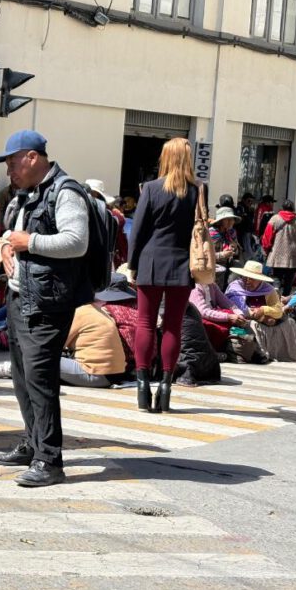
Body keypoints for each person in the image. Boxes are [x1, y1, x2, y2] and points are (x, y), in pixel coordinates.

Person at [0, 130, 90, 487]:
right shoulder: (28, 192)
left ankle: (50, 459)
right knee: (22, 376)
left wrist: (27, 241)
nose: (9, 171)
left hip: (47, 302)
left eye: (12, 163)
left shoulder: (65, 192)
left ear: (32, 158)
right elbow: (9, 235)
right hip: (22, 296)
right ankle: (33, 443)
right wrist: (6, 247)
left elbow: (76, 242)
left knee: (41, 379)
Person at [126, 137, 199, 414]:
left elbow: (139, 230)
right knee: (173, 326)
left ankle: (142, 386)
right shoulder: (197, 191)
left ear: (165, 158)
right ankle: (166, 387)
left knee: (145, 323)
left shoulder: (152, 189)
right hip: (182, 263)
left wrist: (132, 264)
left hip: (151, 261)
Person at [0, 303, 126, 388]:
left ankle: (11, 369)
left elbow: (53, 344)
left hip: (96, 374)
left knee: (40, 358)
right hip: (114, 374)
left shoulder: (78, 312)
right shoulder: (94, 310)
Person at [226, 260, 296, 362]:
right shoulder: (235, 287)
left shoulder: (269, 290)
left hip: (264, 315)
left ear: (260, 280)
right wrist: (252, 313)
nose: (248, 281)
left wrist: (263, 309)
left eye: (252, 279)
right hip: (243, 317)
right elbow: (231, 305)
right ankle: (256, 354)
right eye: (245, 277)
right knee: (252, 323)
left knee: (289, 322)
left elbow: (278, 310)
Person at [190, 280, 248, 357]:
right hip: (199, 318)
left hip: (212, 314)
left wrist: (239, 313)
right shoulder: (195, 288)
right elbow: (203, 312)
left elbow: (227, 303)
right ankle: (212, 352)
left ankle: (240, 346)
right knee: (212, 326)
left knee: (234, 318)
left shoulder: (212, 285)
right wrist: (228, 317)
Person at [262, 200, 296, 296]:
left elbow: (266, 237)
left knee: (276, 277)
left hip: (277, 254)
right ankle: (285, 300)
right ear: (293, 209)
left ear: (282, 208)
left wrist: (266, 249)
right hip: (294, 256)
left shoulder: (274, 219)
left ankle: (276, 292)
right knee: (289, 280)